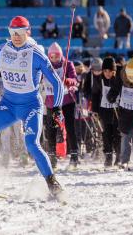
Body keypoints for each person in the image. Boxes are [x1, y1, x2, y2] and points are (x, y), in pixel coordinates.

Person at [0, 16, 65, 196]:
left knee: (31, 143)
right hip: (8, 105)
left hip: (31, 105)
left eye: (20, 33)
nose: (16, 36)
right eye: (12, 33)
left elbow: (57, 83)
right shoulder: (1, 51)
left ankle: (52, 183)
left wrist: (57, 108)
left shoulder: (36, 54)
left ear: (28, 32)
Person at [43, 42, 78, 170]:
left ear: (60, 55)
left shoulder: (67, 64)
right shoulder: (46, 65)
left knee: (70, 128)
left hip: (66, 101)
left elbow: (74, 79)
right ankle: (52, 157)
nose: (54, 59)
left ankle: (74, 155)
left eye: (56, 56)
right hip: (52, 102)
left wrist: (69, 81)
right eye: (51, 57)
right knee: (51, 129)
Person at [92, 57, 121, 167]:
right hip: (104, 110)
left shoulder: (118, 79)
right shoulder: (99, 79)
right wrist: (94, 110)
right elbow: (95, 94)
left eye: (110, 71)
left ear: (114, 71)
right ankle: (108, 155)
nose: (108, 74)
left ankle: (118, 155)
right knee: (106, 134)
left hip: (117, 110)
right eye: (105, 71)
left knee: (117, 133)